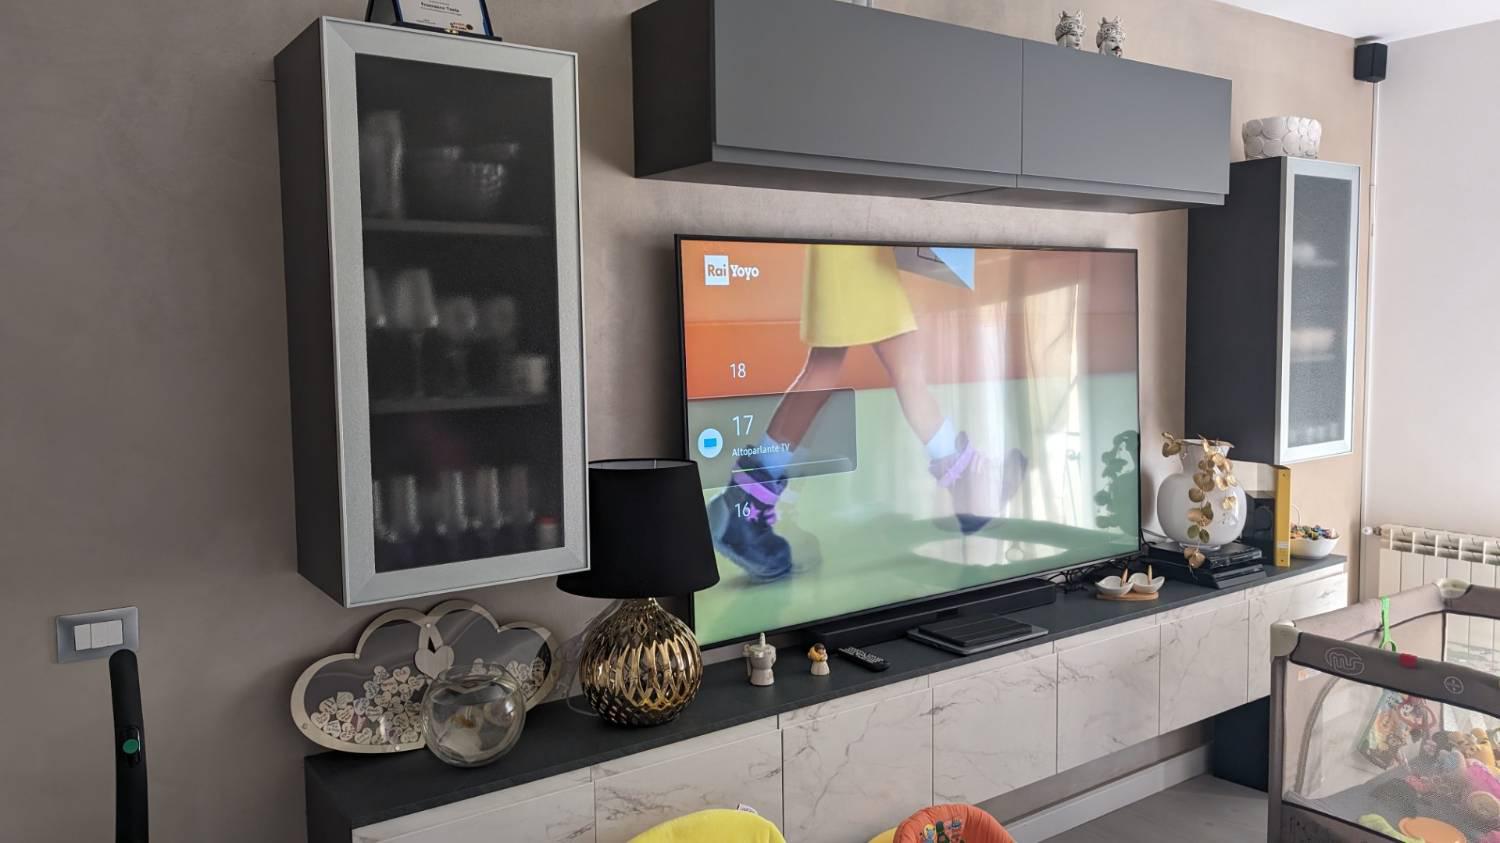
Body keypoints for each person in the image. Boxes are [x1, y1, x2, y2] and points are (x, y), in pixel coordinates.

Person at [709, 244, 1026, 581]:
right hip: (853, 249)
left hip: (860, 247)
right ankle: (964, 481)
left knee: (839, 366)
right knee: (855, 368)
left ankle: (746, 501)